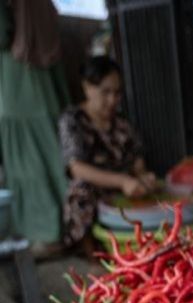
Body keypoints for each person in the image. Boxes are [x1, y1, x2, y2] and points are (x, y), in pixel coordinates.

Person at [59, 55, 156, 249]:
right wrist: (122, 180)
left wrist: (144, 179)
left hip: (125, 190)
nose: (113, 100)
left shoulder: (122, 123)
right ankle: (91, 252)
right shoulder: (72, 120)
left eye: (117, 93)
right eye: (106, 92)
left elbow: (137, 161)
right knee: (80, 192)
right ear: (87, 87)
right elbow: (76, 168)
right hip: (96, 191)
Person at [0, 0, 69, 252]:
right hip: (46, 78)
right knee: (52, 154)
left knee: (31, 163)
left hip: (20, 85)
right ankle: (64, 228)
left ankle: (46, 232)